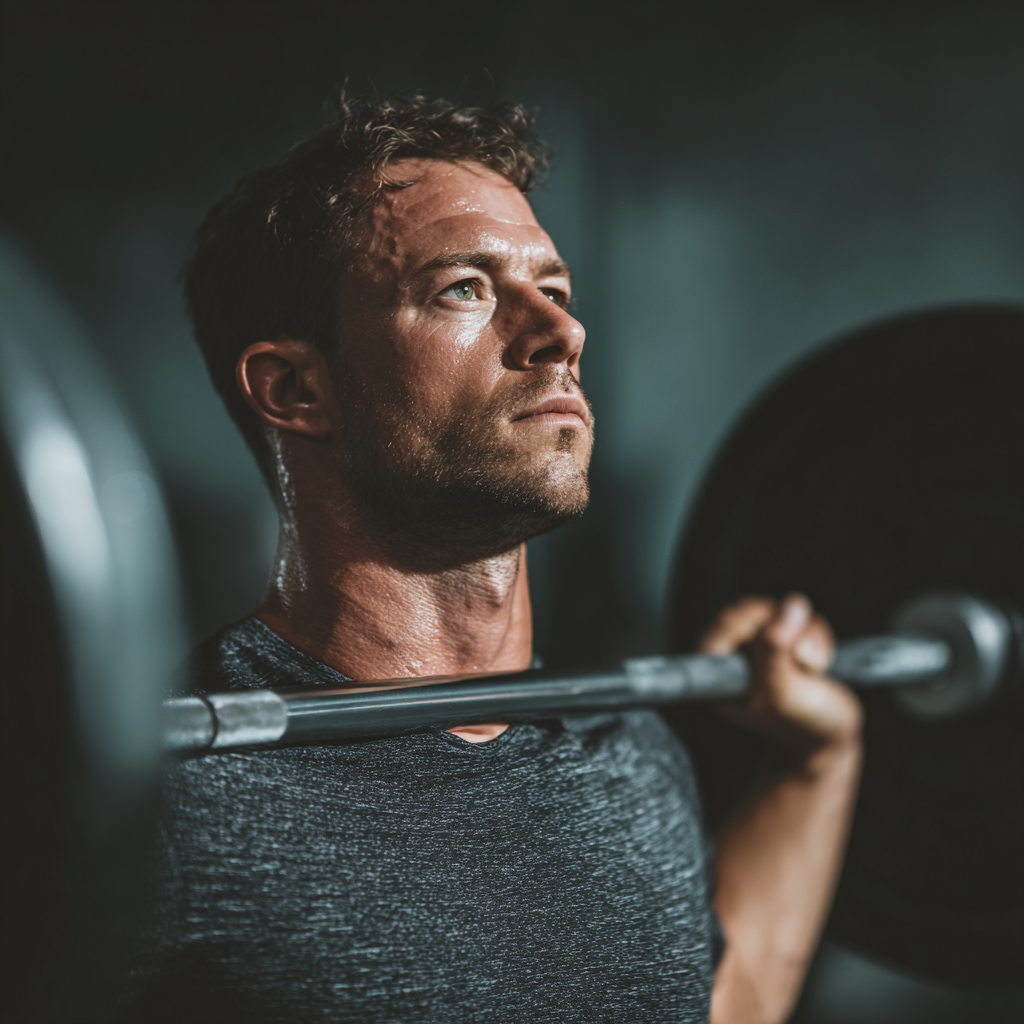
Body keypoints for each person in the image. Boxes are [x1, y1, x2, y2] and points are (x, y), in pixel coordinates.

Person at [123, 94, 862, 1024]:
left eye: (553, 290)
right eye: (464, 288)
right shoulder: (168, 799)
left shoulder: (627, 752)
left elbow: (721, 1005)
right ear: (296, 388)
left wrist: (815, 760)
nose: (560, 334)